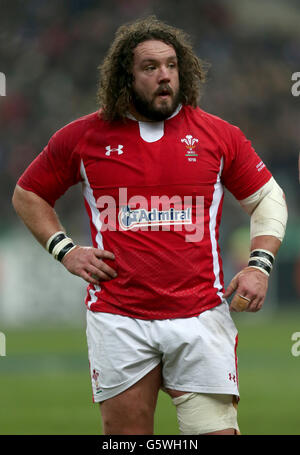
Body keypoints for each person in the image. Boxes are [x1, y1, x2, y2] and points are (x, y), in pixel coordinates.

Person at [12, 16, 288, 435]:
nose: (165, 77)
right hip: (119, 317)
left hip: (201, 315)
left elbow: (268, 198)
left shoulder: (218, 135)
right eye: (150, 67)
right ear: (126, 75)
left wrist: (258, 265)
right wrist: (66, 250)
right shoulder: (83, 137)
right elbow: (28, 193)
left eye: (172, 66)